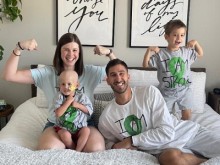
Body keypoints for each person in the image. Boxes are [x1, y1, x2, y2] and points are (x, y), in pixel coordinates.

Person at [3, 32, 116, 151]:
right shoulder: (46, 73)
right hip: (57, 125)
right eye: (66, 49)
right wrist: (19, 47)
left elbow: (117, 72)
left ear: (79, 53)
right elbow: (9, 75)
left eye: (75, 50)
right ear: (59, 52)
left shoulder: (90, 72)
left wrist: (109, 53)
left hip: (85, 124)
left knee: (96, 149)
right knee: (49, 149)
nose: (71, 54)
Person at [98, 59, 220, 165]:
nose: (118, 78)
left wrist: (131, 140)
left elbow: (167, 132)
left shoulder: (149, 92)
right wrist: (115, 146)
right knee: (172, 160)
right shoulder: (106, 118)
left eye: (121, 73)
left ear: (128, 76)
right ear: (107, 80)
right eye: (113, 75)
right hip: (160, 151)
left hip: (187, 133)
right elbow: (110, 145)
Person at [142, 19, 203, 120]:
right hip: (166, 92)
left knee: (187, 116)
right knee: (164, 117)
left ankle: (183, 130)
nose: (179, 38)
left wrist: (196, 43)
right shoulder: (161, 54)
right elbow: (145, 66)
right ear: (166, 37)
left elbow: (200, 54)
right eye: (175, 35)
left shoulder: (186, 52)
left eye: (182, 35)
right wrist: (149, 51)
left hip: (184, 90)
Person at [53, 70, 93, 151]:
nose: (66, 87)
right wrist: (68, 102)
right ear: (59, 86)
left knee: (86, 131)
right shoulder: (59, 97)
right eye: (63, 84)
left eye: (69, 84)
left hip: (79, 127)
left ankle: (78, 150)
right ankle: (72, 149)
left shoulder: (82, 97)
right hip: (63, 127)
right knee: (65, 135)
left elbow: (89, 111)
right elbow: (58, 114)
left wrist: (78, 105)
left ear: (76, 85)